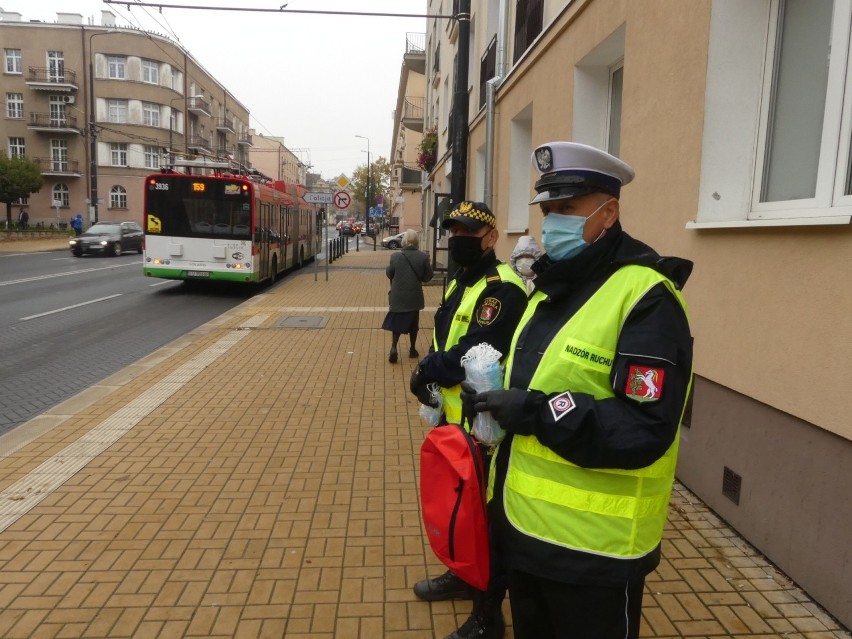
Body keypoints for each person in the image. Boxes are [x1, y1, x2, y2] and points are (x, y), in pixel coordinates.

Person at [462, 142, 694, 639]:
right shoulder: (554, 286)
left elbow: (644, 427)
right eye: (547, 210)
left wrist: (535, 411)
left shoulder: (646, 297)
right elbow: (545, 379)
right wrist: (492, 397)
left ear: (608, 212)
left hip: (596, 557)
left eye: (566, 209)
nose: (551, 223)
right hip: (526, 536)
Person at [409, 200, 527, 639]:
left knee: (485, 520)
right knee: (459, 510)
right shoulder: (463, 279)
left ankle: (487, 616)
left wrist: (427, 369)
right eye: (453, 232)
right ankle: (462, 574)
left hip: (484, 429)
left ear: (492, 237)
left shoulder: (502, 288)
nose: (457, 239)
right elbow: (449, 335)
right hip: (455, 422)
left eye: (467, 233)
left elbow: (477, 351)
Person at [382, 229, 434, 363]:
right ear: (416, 242)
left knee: (396, 322)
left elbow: (390, 274)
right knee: (413, 323)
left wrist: (389, 269)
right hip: (414, 296)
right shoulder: (423, 257)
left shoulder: (395, 256)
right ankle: (412, 349)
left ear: (404, 241)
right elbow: (428, 277)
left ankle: (394, 347)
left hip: (398, 296)